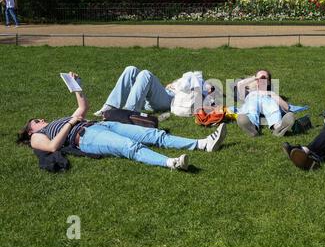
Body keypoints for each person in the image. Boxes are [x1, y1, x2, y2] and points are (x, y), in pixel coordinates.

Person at [17, 72, 227, 171]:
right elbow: (53, 146)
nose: (42, 119)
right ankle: (170, 163)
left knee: (154, 135)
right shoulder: (38, 137)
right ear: (30, 131)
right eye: (37, 121)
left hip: (99, 125)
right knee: (130, 147)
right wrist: (71, 123)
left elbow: (82, 108)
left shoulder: (56, 122)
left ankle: (202, 143)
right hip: (86, 137)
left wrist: (77, 85)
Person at [94, 66, 216, 117]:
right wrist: (172, 85)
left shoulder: (201, 83)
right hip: (157, 95)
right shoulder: (183, 79)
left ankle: (129, 112)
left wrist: (209, 89)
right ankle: (109, 107)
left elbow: (209, 93)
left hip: (169, 100)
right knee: (131, 69)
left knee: (146, 74)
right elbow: (169, 86)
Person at [236, 69, 295, 137]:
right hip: (252, 100)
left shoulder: (271, 93)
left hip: (267, 101)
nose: (262, 79)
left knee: (273, 107)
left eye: (264, 78)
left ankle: (278, 127)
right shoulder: (249, 92)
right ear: (256, 80)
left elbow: (286, 107)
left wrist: (272, 95)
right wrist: (255, 78)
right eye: (259, 78)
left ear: (269, 82)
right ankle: (252, 127)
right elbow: (239, 84)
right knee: (251, 108)